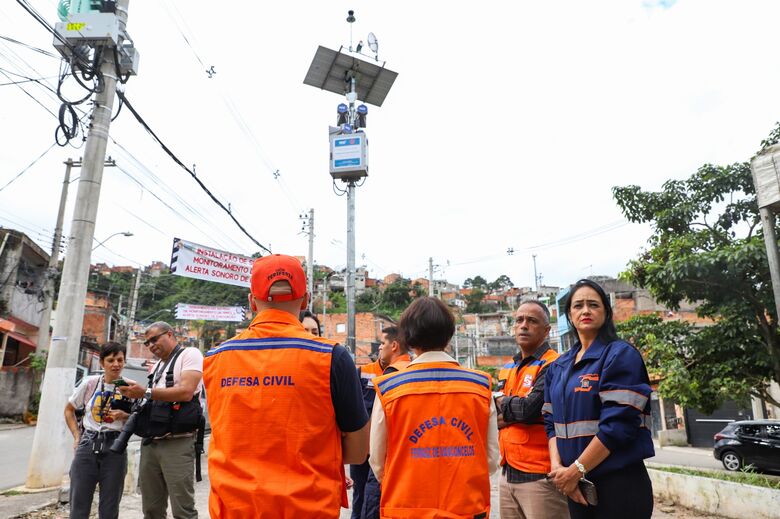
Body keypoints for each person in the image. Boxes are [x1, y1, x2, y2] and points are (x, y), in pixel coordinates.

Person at [202, 254, 369, 518]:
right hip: (307, 509)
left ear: (251, 302)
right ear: (306, 300)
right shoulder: (332, 357)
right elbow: (359, 452)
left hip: (233, 509)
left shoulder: (214, 359)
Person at [369, 297, 500, 518]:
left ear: (408, 338)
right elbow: (491, 458)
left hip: (406, 507)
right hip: (466, 506)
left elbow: (377, 460)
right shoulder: (480, 385)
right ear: (449, 335)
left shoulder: (389, 387)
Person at [544, 279, 655, 519]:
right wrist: (559, 470)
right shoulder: (558, 367)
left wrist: (576, 470)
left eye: (593, 304)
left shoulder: (620, 355)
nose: (585, 310)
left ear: (606, 312)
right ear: (569, 316)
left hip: (619, 485)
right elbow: (550, 423)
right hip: (575, 486)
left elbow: (618, 426)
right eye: (578, 305)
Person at [119, 322, 204, 519]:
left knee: (183, 510)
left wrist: (146, 392)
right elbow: (154, 400)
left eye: (154, 339)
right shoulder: (156, 367)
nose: (151, 345)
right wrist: (134, 396)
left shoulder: (189, 354)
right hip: (151, 441)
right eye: (147, 343)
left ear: (170, 334)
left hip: (178, 442)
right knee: (151, 509)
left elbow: (186, 392)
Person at [496, 301, 568, 519]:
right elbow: (491, 415)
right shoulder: (507, 368)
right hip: (507, 474)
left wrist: (503, 404)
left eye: (532, 321)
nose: (523, 325)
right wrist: (515, 409)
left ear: (546, 331)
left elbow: (530, 409)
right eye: (519, 320)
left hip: (541, 476)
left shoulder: (554, 364)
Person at [65, 342, 133, 519]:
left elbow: (138, 418)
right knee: (79, 505)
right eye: (110, 360)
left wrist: (123, 415)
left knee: (109, 509)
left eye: (120, 360)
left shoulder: (130, 388)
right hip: (88, 444)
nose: (116, 364)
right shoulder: (90, 384)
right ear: (102, 363)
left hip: (115, 447)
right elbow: (69, 410)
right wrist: (76, 437)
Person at [360, 325, 411, 519]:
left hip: (386, 461)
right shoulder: (414, 371)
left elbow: (378, 430)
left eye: (383, 343)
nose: (379, 348)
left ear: (395, 346)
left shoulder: (390, 376)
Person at [350, 337, 386, 519]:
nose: (380, 347)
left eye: (384, 343)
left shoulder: (402, 372)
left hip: (384, 447)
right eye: (380, 344)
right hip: (362, 446)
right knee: (360, 494)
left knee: (377, 496)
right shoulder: (363, 371)